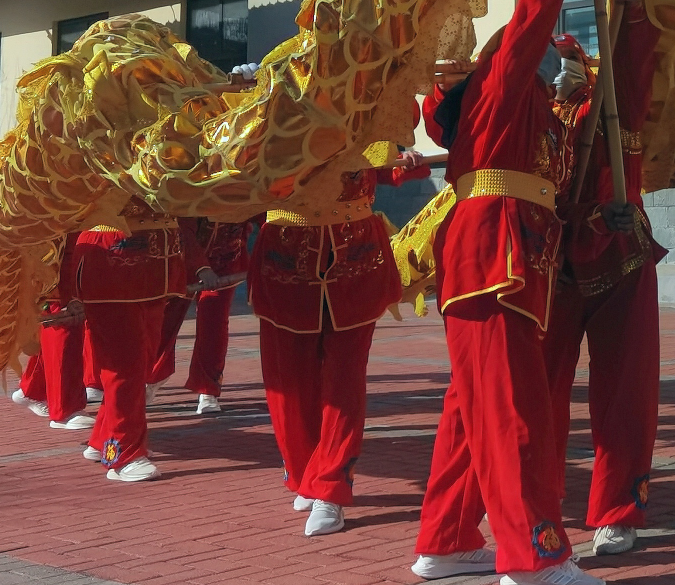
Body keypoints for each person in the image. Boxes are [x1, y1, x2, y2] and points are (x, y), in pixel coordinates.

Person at [412, 0, 609, 585]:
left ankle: (447, 539)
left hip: (510, 257)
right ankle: (530, 558)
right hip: (494, 257)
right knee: (514, 411)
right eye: (514, 61)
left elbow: (553, 144)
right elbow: (528, 22)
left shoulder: (507, 119)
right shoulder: (495, 91)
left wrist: (574, 90)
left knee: (474, 411)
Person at [546, 0, 665, 556]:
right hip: (553, 266)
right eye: (559, 61)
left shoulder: (613, 108)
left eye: (575, 61)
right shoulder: (539, 116)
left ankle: (617, 507)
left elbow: (636, 68)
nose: (565, 70)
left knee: (624, 392)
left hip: (622, 260)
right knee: (540, 392)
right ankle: (532, 502)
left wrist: (633, 10)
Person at [250, 151, 431, 536]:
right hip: (287, 252)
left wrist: (398, 159)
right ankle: (305, 473)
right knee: (289, 385)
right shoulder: (268, 108)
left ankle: (330, 486)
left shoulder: (365, 98)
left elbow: (384, 154)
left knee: (344, 382)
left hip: (355, 254)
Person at [66, 199, 222, 482]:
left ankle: (103, 438)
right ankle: (123, 455)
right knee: (124, 366)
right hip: (112, 261)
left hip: (156, 269)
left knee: (141, 364)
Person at [147, 218, 256, 414]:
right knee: (165, 320)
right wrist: (201, 267)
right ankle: (153, 377)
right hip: (182, 259)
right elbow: (183, 228)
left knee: (214, 325)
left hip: (227, 259)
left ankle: (208, 389)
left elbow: (266, 213)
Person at [10, 234, 98, 430]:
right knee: (62, 317)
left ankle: (33, 388)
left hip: (72, 236)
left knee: (64, 317)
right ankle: (65, 408)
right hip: (56, 240)